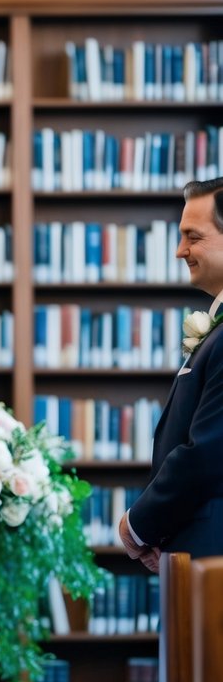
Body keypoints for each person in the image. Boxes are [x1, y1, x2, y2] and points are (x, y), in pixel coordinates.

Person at [119, 176, 223, 571]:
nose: (181, 251)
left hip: (212, 556)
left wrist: (137, 526)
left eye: (193, 237)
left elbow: (208, 454)